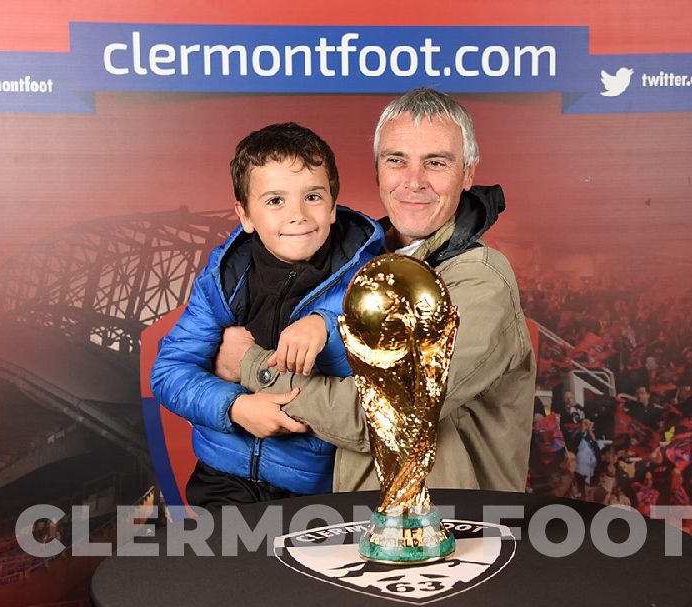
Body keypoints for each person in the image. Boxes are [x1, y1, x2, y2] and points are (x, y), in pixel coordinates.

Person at [214, 88, 535, 492]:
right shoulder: (345, 266)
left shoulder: (480, 283)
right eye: (396, 160)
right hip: (349, 526)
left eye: (436, 162)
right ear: (378, 171)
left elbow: (379, 417)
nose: (413, 181)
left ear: (468, 173)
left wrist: (249, 365)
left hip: (452, 538)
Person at [149, 122, 383, 510]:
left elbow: (383, 377)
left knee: (305, 572)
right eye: (275, 201)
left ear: (333, 204)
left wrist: (328, 325)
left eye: (312, 196)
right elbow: (169, 371)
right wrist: (236, 407)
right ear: (245, 215)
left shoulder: (371, 277)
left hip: (317, 488)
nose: (298, 215)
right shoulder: (223, 281)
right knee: (227, 568)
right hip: (222, 477)